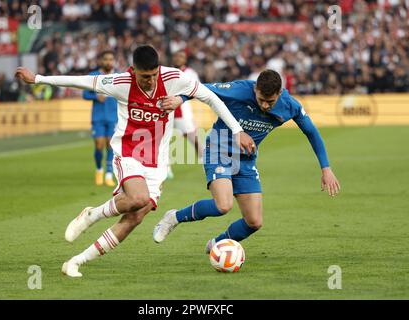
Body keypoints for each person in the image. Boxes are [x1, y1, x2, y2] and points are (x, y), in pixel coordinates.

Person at [15, 45, 255, 277]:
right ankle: (93, 215)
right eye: (144, 76)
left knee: (136, 216)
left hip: (157, 161)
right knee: (138, 198)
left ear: (158, 69)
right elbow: (81, 81)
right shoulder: (120, 83)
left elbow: (211, 98)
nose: (149, 80)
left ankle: (76, 261)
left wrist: (235, 130)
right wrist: (38, 79)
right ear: (133, 69)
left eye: (152, 75)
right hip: (128, 151)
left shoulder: (174, 78)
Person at [153, 69, 341, 253]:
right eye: (261, 100)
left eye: (271, 102)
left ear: (280, 93)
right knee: (223, 205)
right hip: (219, 149)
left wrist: (326, 168)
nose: (265, 106)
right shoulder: (239, 90)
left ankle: (216, 244)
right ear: (255, 90)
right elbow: (200, 89)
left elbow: (312, 132)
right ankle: (174, 217)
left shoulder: (289, 105)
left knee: (254, 221)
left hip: (246, 159)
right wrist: (180, 99)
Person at [83, 50, 118, 186]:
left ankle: (109, 175)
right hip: (97, 117)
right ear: (101, 61)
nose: (108, 62)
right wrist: (95, 97)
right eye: (106, 59)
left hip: (113, 117)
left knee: (110, 144)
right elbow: (85, 95)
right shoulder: (93, 76)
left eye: (111, 59)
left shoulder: (117, 77)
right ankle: (99, 170)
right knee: (99, 145)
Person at [167, 50, 204, 179]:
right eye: (176, 56)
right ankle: (166, 168)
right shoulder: (167, 71)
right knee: (163, 140)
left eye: (181, 56)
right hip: (167, 111)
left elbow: (198, 90)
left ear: (185, 59)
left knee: (193, 138)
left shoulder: (190, 73)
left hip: (183, 111)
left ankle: (204, 162)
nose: (178, 58)